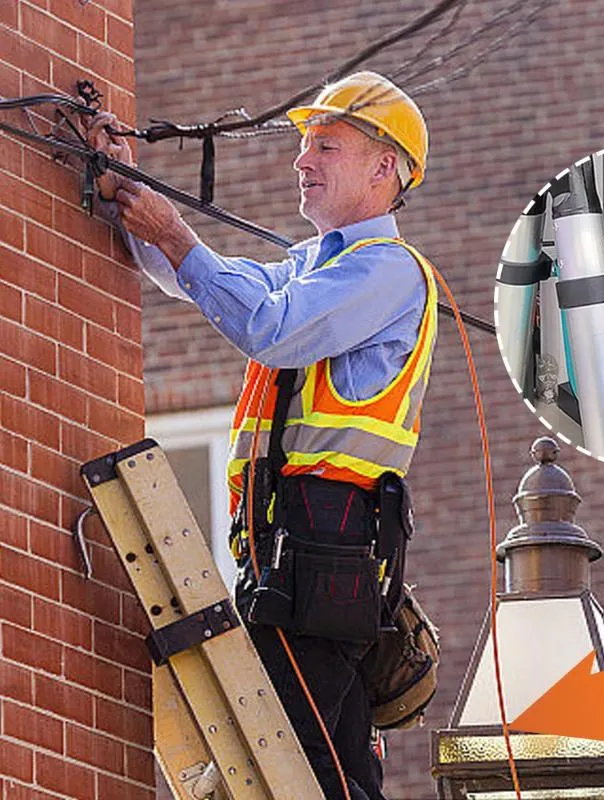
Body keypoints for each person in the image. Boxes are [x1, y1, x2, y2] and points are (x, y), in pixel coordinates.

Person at [86, 72, 438, 800]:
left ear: (384, 169)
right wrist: (128, 193)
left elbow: (266, 327)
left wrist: (173, 233)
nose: (301, 161)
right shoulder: (316, 267)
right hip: (294, 552)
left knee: (296, 763)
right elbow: (207, 280)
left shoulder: (388, 271)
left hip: (323, 550)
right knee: (324, 767)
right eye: (305, 145)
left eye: (325, 145)